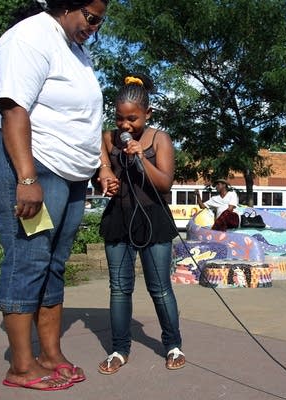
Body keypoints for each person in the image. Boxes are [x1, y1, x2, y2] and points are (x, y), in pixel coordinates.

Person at [0, 0, 113, 391]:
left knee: (54, 262)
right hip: (33, 167)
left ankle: (50, 354)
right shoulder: (30, 36)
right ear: (68, 5)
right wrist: (26, 178)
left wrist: (101, 166)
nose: (95, 27)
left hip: (71, 176)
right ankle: (21, 365)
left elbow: (89, 119)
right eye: (91, 18)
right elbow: (14, 108)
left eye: (100, 22)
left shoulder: (76, 50)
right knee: (29, 258)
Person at [97, 74, 186, 375]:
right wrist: (105, 177)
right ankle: (119, 349)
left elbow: (164, 184)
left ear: (148, 114)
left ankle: (173, 344)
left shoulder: (160, 139)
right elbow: (102, 169)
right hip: (119, 220)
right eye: (120, 118)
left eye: (132, 119)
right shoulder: (108, 138)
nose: (124, 126)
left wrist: (140, 157)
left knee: (159, 288)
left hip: (154, 220)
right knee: (120, 289)